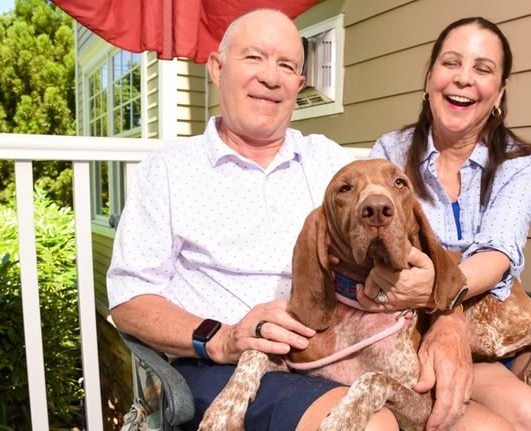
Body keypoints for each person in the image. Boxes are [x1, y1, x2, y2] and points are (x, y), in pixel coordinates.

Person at [108, 8, 510, 431]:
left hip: (338, 349)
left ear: (299, 85)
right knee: (371, 426)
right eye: (254, 58)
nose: (270, 76)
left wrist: (449, 323)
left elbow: (418, 248)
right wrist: (222, 337)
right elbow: (131, 299)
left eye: (287, 65)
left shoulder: (336, 166)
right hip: (226, 366)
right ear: (217, 68)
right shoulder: (169, 170)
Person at [363, 16, 531, 431]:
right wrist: (439, 310)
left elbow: (497, 254)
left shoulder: (520, 162)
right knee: (526, 413)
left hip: (501, 313)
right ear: (429, 77)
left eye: (483, 69)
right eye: (451, 63)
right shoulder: (389, 151)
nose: (464, 79)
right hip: (416, 322)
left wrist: (437, 288)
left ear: (498, 93)